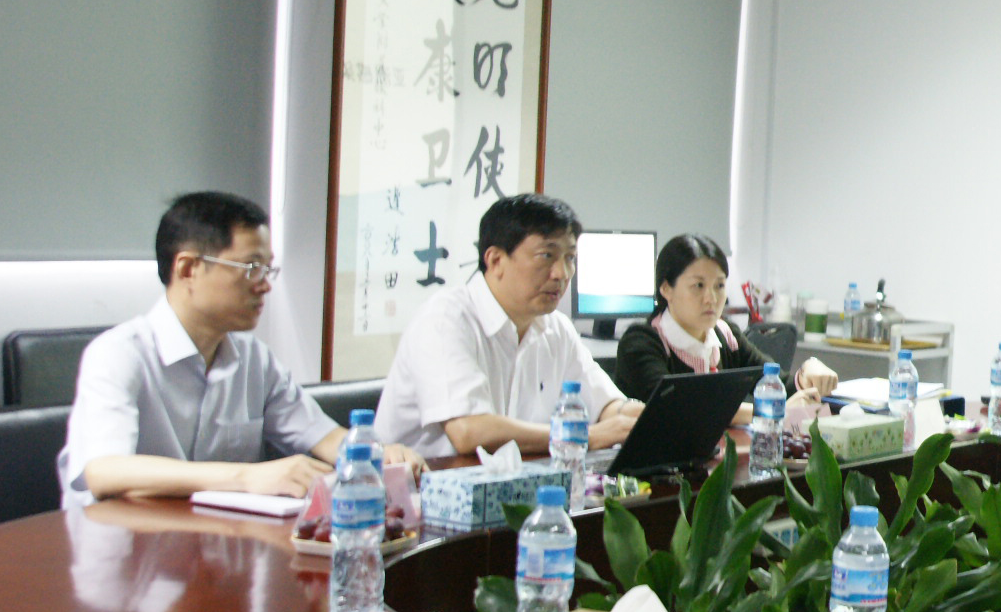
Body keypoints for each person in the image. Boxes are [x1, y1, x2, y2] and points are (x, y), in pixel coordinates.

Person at [60, 192, 420, 504]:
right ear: (188, 269)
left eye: (267, 269)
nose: (265, 285)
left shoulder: (254, 359)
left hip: (213, 542)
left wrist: (378, 454)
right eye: (251, 267)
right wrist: (247, 477)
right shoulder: (119, 354)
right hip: (122, 546)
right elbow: (104, 471)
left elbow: (321, 436)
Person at [376, 194, 642, 459]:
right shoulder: (445, 318)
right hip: (425, 481)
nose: (562, 273)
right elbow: (468, 431)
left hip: (515, 480)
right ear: (495, 261)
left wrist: (637, 415)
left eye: (570, 258)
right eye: (546, 255)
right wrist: (585, 436)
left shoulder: (557, 329)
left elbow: (604, 406)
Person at [612, 234, 837, 419]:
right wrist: (768, 411)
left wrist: (808, 373)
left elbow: (772, 384)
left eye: (719, 286)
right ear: (666, 289)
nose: (711, 298)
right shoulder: (641, 343)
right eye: (698, 286)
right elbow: (680, 410)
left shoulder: (725, 335)